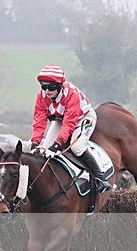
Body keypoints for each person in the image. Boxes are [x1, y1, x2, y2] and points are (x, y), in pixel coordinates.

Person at [30, 64, 111, 193]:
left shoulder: (71, 94)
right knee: (44, 150)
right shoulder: (41, 96)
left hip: (83, 118)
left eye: (50, 87)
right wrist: (34, 143)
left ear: (59, 85)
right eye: (43, 87)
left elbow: (69, 124)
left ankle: (100, 178)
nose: (46, 91)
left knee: (77, 148)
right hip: (60, 119)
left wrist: (56, 145)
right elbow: (39, 121)